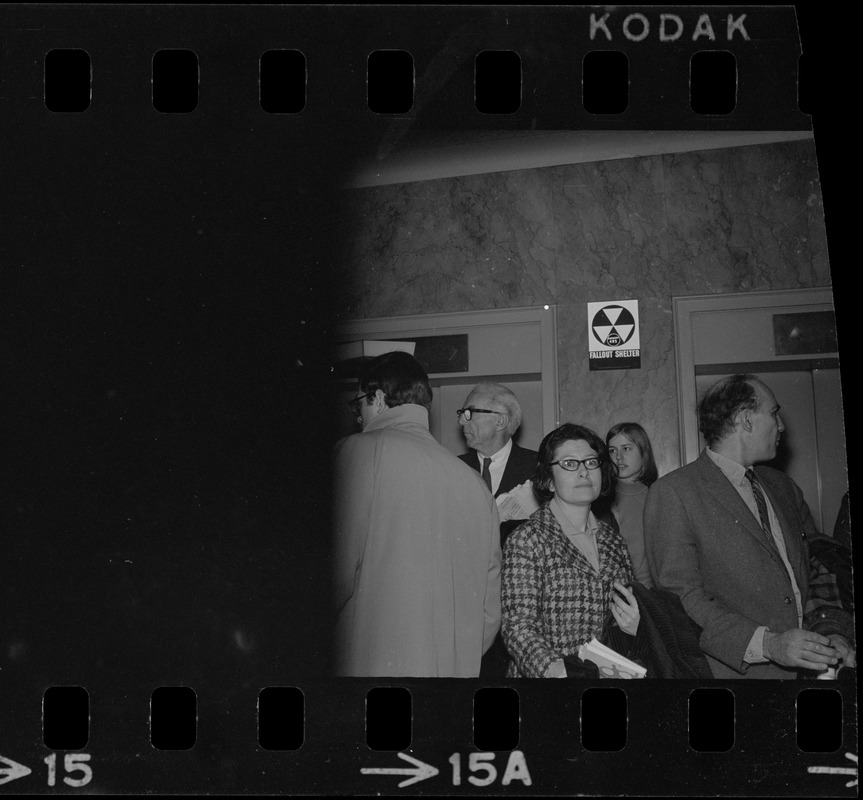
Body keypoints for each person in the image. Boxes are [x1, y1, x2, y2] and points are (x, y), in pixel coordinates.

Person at [645, 373, 855, 679]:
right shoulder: (675, 493)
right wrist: (767, 644)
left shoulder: (783, 487)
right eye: (773, 413)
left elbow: (818, 566)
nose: (781, 425)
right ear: (746, 420)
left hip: (808, 676)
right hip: (733, 683)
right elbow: (682, 599)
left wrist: (831, 631)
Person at [332, 351, 501, 677]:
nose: (359, 417)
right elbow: (489, 613)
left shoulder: (355, 452)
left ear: (377, 399)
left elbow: (334, 575)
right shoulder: (476, 485)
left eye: (359, 407)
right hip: (450, 682)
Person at [502, 423, 639, 678]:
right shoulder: (527, 539)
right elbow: (518, 628)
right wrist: (557, 671)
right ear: (548, 481)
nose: (584, 472)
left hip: (607, 680)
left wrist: (634, 628)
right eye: (569, 464)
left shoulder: (614, 541)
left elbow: (619, 620)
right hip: (547, 690)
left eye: (590, 462)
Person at [457, 382, 538, 679]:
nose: (461, 420)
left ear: (500, 421)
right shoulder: (451, 470)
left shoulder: (540, 469)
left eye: (469, 413)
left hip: (525, 618)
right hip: (467, 614)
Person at [605, 422, 659, 588]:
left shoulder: (659, 494)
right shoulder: (601, 498)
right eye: (612, 450)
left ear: (644, 452)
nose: (618, 457)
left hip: (654, 592)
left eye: (626, 448)